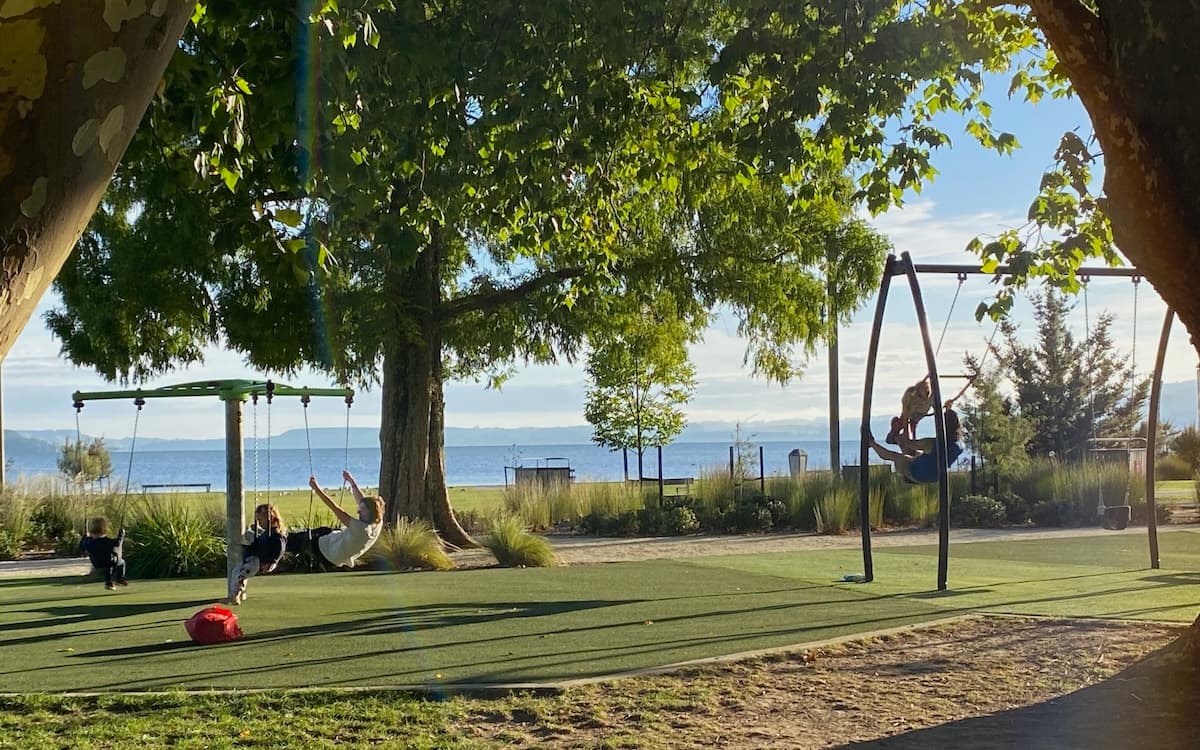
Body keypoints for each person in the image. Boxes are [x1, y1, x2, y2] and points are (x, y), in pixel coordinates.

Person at [286, 470, 384, 571]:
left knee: (299, 540)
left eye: (362, 510)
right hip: (334, 544)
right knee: (323, 530)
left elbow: (335, 508)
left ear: (370, 512)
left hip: (326, 552)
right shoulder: (378, 523)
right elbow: (361, 500)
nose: (358, 512)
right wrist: (351, 481)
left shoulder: (362, 529)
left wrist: (316, 488)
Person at [869, 404, 964, 484]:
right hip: (935, 476)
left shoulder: (932, 443)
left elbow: (909, 442)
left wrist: (907, 421)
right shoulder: (959, 446)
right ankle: (895, 438)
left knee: (897, 456)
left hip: (918, 474)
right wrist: (948, 409)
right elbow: (950, 423)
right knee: (914, 453)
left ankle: (870, 442)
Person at [227, 503, 287, 605]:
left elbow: (280, 549)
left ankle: (236, 595)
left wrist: (272, 562)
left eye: (260, 520)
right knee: (236, 571)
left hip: (262, 561)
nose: (259, 523)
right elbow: (258, 543)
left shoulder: (276, 534)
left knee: (243, 572)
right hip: (255, 557)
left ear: (270, 518)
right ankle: (236, 594)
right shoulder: (266, 532)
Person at [80, 517, 127, 590]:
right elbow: (117, 543)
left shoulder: (87, 541)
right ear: (105, 530)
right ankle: (119, 579)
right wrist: (121, 534)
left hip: (96, 563)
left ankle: (109, 583)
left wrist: (84, 536)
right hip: (110, 561)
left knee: (107, 565)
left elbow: (82, 547)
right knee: (121, 562)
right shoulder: (106, 541)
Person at [886, 376, 933, 444]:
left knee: (911, 424)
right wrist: (906, 434)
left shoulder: (932, 397)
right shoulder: (910, 394)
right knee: (904, 422)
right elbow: (905, 416)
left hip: (917, 415)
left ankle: (906, 439)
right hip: (909, 413)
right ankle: (894, 435)